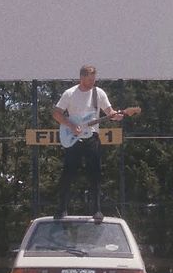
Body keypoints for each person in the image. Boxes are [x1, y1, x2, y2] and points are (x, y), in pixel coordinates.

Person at [52, 65, 122, 220]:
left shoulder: (99, 93)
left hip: (92, 138)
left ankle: (97, 210)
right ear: (81, 77)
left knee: (95, 174)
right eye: (90, 79)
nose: (92, 82)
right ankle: (62, 208)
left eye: (94, 79)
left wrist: (115, 115)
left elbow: (109, 112)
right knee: (68, 173)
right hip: (73, 138)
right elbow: (56, 113)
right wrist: (70, 125)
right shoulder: (69, 93)